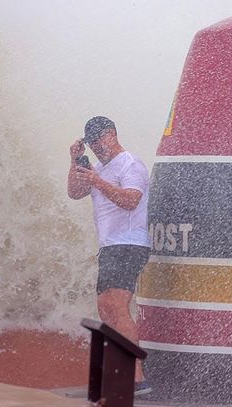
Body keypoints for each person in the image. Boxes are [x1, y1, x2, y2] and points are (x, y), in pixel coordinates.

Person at [67, 116, 152, 395]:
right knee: (106, 308)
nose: (97, 146)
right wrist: (76, 161)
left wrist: (97, 180)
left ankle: (137, 378)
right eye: (92, 142)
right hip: (110, 246)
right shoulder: (99, 168)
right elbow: (75, 193)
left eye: (100, 139)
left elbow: (131, 201)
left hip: (129, 244)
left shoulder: (130, 163)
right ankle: (121, 373)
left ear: (113, 134)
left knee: (116, 306)